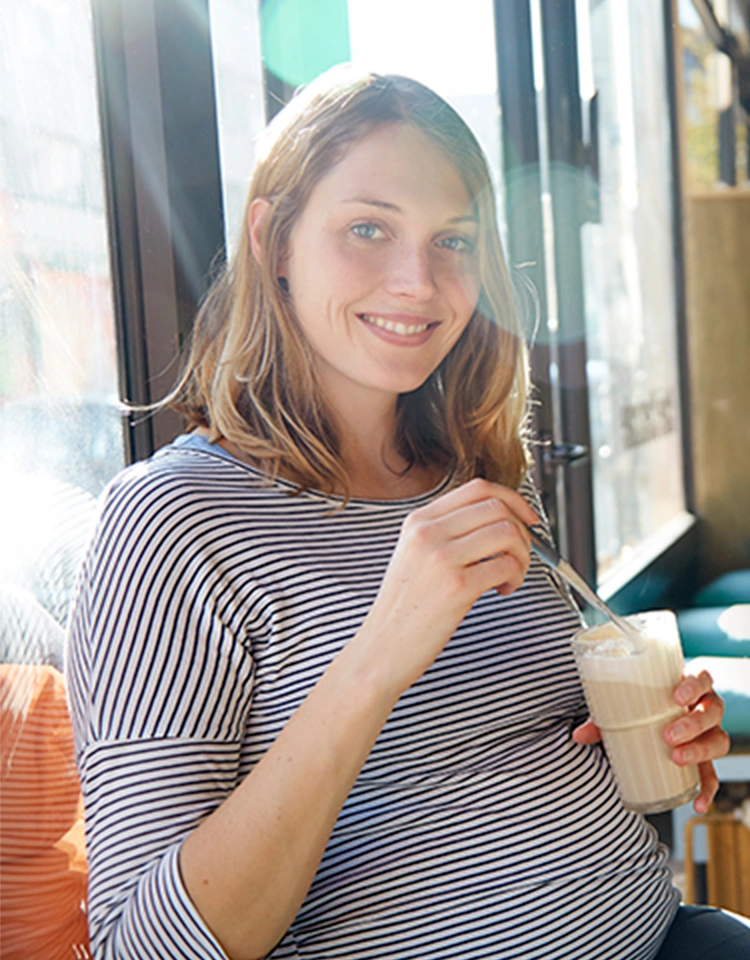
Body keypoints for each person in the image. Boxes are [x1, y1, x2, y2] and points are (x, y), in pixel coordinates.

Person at [67, 67, 746, 960]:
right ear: (274, 241)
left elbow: (501, 745)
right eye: (367, 229)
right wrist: (381, 652)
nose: (419, 282)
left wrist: (647, 728)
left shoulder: (469, 470)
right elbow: (141, 945)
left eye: (453, 240)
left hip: (665, 933)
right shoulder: (171, 521)